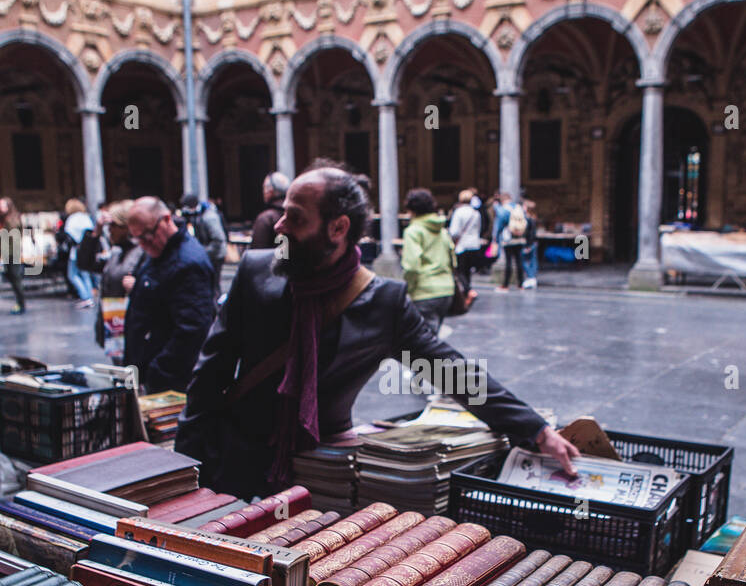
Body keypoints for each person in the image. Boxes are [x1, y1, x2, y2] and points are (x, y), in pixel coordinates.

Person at [175, 160, 579, 500]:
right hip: (233, 462)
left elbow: (451, 371)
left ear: (338, 228)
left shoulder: (383, 303)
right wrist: (182, 473)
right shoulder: (256, 272)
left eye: (295, 218)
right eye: (283, 212)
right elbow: (207, 377)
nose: (279, 226)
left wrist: (537, 431)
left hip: (321, 473)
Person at [125, 196, 216, 393]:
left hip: (170, 381)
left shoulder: (188, 262)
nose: (144, 244)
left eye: (147, 235)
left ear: (166, 219)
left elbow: (193, 328)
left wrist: (160, 371)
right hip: (151, 373)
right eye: (138, 238)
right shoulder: (160, 252)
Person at [91, 201, 145, 361]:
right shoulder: (116, 253)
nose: (109, 230)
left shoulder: (143, 251)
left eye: (113, 225)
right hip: (114, 326)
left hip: (134, 327)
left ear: (126, 227)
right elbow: (86, 263)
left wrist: (137, 287)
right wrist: (96, 232)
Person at [401, 188, 456, 332]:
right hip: (446, 290)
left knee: (423, 343)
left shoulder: (413, 231)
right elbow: (453, 260)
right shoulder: (442, 231)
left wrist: (409, 288)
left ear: (411, 209)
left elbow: (411, 266)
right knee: (432, 338)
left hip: (424, 291)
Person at [179, 192, 227, 286]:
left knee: (214, 283)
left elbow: (218, 240)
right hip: (208, 252)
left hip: (216, 255)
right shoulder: (197, 214)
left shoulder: (209, 217)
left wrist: (202, 252)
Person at [63, 199, 96, 308]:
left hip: (76, 251)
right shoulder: (86, 217)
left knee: (72, 275)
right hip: (86, 250)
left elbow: (69, 236)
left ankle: (85, 297)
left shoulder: (71, 219)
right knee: (85, 275)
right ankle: (90, 298)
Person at [448, 188, 482, 289]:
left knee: (460, 270)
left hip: (462, 245)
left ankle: (467, 290)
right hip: (474, 244)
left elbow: (454, 231)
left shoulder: (459, 212)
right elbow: (478, 229)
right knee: (468, 270)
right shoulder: (476, 213)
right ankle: (468, 287)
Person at [250, 172, 290, 250]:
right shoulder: (294, 215)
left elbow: (257, 254)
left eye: (264, 188)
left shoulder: (265, 218)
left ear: (270, 191)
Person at [0, 196, 26, 314]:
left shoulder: (12, 219)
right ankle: (20, 303)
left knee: (15, 278)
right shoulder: (5, 218)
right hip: (7, 252)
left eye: (2, 205)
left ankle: (21, 304)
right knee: (12, 277)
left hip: (12, 252)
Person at [499, 199, 529, 291]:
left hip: (509, 241)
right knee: (519, 262)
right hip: (520, 240)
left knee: (508, 262)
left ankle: (505, 285)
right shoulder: (521, 211)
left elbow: (501, 224)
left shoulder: (506, 211)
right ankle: (520, 284)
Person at [521, 199, 539, 289]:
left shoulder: (528, 219)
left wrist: (528, 244)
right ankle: (532, 277)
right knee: (532, 261)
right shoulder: (533, 218)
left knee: (524, 261)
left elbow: (530, 233)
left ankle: (531, 277)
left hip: (529, 243)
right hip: (533, 242)